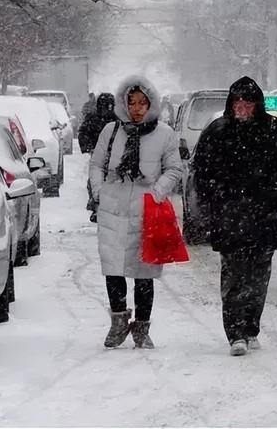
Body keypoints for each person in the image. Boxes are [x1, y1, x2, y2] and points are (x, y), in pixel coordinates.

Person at [193, 76, 277, 356]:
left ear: (257, 105)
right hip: (229, 218)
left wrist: (274, 196)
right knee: (233, 277)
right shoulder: (217, 133)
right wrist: (217, 200)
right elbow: (202, 173)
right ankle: (235, 333)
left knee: (257, 277)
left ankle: (251, 327)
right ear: (231, 104)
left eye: (248, 103)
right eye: (238, 103)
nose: (243, 108)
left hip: (264, 218)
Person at [89, 76, 182, 349]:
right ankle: (118, 321)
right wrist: (99, 191)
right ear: (123, 103)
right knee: (113, 268)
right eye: (131, 103)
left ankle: (142, 326)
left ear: (151, 103)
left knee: (144, 271)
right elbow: (96, 165)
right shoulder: (111, 131)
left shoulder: (164, 133)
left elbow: (174, 169)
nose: (137, 109)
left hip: (147, 211)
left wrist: (156, 192)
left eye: (143, 103)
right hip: (113, 209)